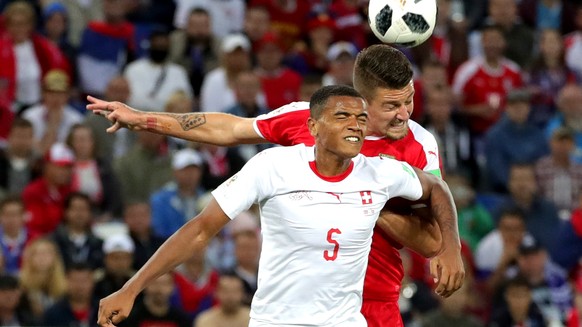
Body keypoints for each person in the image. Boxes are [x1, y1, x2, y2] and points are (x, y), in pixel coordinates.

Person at [88, 45, 464, 326]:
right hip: (286, 305)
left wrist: (366, 202)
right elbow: (228, 128)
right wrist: (145, 119)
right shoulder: (301, 124)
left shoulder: (414, 149)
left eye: (410, 102)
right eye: (391, 105)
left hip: (369, 300)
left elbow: (431, 240)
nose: (405, 114)